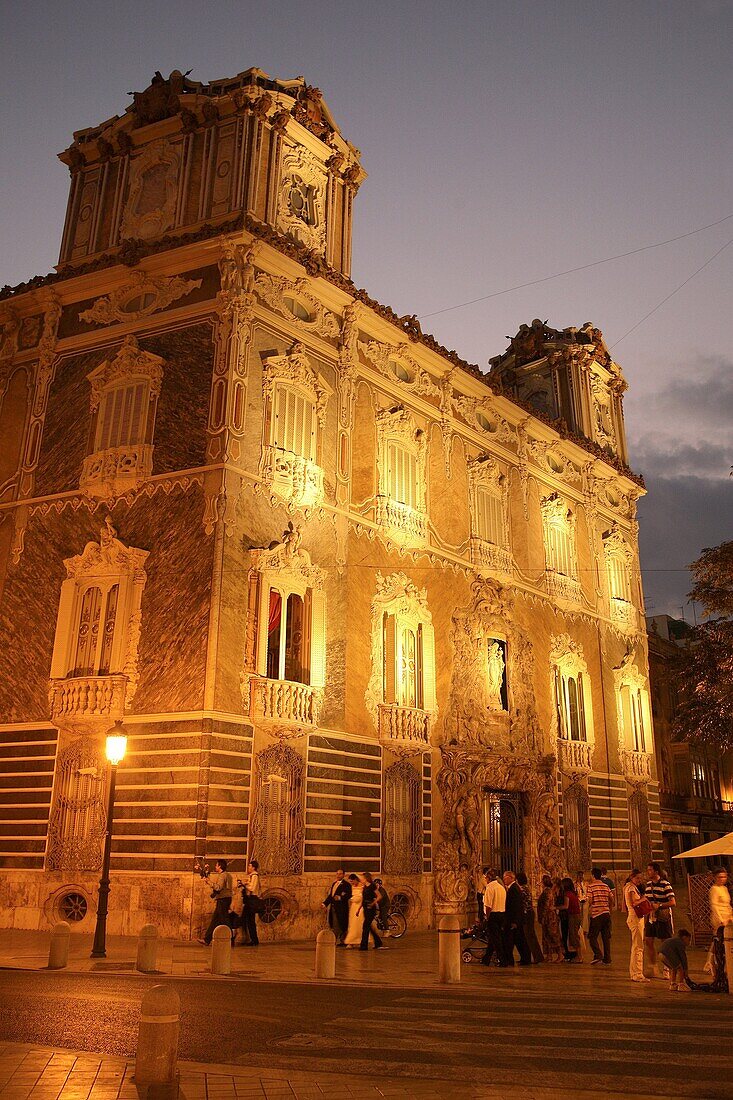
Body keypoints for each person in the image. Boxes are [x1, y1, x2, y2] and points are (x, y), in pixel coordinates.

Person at [644, 862, 676, 978]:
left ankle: (667, 968)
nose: (648, 872)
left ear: (656, 872)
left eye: (650, 870)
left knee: (665, 943)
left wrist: (660, 906)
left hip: (663, 918)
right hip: (651, 918)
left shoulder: (665, 884)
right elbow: (647, 901)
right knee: (648, 941)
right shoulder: (648, 885)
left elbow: (673, 902)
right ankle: (653, 966)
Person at [623, 869, 650, 983]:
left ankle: (635, 972)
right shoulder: (631, 888)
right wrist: (645, 898)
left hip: (635, 918)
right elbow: (634, 903)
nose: (639, 880)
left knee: (636, 945)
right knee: (638, 946)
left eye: (640, 878)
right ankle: (637, 974)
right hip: (635, 918)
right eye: (637, 878)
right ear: (632, 877)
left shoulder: (629, 887)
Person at [708, 867, 732, 993]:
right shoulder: (714, 889)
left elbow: (727, 905)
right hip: (719, 920)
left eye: (724, 877)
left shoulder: (724, 889)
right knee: (718, 945)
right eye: (720, 877)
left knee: (726, 946)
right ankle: (712, 966)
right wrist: (721, 920)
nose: (722, 879)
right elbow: (714, 905)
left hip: (728, 919)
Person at [200, 858, 233, 946]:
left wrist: (209, 882)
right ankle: (207, 939)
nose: (215, 866)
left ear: (220, 866)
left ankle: (231, 939)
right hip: (226, 898)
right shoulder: (229, 875)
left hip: (222, 899)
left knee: (224, 920)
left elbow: (218, 887)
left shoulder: (222, 875)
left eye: (216, 865)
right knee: (216, 919)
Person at [587, 866, 615, 965]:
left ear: (593, 876)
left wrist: (588, 904)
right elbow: (612, 899)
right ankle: (607, 959)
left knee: (592, 937)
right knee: (605, 938)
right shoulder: (606, 886)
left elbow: (590, 900)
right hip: (606, 914)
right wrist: (609, 909)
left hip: (597, 914)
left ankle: (598, 955)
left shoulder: (590, 887)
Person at [502, 871, 531, 965]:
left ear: (511, 878)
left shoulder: (514, 889)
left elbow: (517, 906)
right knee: (518, 940)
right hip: (515, 920)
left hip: (515, 920)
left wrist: (515, 921)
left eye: (505, 877)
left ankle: (524, 959)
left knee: (518, 940)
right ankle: (524, 958)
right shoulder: (513, 888)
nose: (504, 879)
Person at [481, 869, 507, 966]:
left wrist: (487, 918)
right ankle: (486, 959)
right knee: (493, 939)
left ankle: (503, 960)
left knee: (496, 940)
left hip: (493, 915)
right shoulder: (501, 887)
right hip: (502, 914)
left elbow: (488, 906)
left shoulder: (490, 888)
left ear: (489, 878)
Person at [516, 871, 544, 963]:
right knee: (530, 935)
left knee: (529, 935)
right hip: (530, 913)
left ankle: (537, 957)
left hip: (526, 914)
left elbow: (521, 903)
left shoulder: (522, 890)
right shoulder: (526, 888)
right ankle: (537, 956)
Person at [536, 874, 563, 962]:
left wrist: (543, 916)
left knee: (553, 935)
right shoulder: (547, 891)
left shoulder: (547, 892)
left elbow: (546, 904)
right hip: (547, 915)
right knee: (546, 936)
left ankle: (560, 954)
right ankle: (549, 955)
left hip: (549, 916)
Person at [322, 868, 352, 946]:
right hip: (333, 907)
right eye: (337, 873)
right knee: (334, 923)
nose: (338, 875)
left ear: (343, 875)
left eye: (340, 874)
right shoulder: (334, 883)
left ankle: (336, 940)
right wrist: (325, 903)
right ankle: (340, 940)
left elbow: (349, 895)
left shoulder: (346, 885)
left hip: (341, 908)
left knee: (339, 924)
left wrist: (341, 898)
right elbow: (331, 896)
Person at [358, 872, 385, 950]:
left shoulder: (372, 886)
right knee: (368, 926)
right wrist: (359, 909)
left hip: (371, 908)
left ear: (366, 878)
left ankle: (364, 946)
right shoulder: (364, 887)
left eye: (362, 878)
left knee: (365, 926)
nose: (361, 879)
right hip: (365, 908)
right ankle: (378, 942)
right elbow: (363, 899)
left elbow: (379, 896)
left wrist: (373, 903)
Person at [560, 877, 581, 962]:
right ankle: (578, 955)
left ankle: (579, 957)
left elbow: (566, 906)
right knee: (574, 935)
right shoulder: (573, 893)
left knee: (574, 936)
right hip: (577, 915)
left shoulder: (567, 894)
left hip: (572, 916)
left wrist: (555, 907)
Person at [241, 859, 261, 946]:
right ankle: (252, 939)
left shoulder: (255, 876)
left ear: (253, 867)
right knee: (247, 920)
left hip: (252, 900)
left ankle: (254, 940)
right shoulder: (251, 876)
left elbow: (252, 888)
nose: (248, 867)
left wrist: (245, 884)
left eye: (249, 866)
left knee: (250, 920)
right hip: (249, 900)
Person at [344, 874, 364, 947]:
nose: (352, 883)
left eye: (352, 881)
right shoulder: (351, 887)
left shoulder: (362, 887)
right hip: (353, 907)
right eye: (350, 882)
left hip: (360, 907)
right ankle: (352, 941)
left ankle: (358, 940)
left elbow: (361, 897)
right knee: (352, 924)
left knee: (358, 924)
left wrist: (353, 899)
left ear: (356, 879)